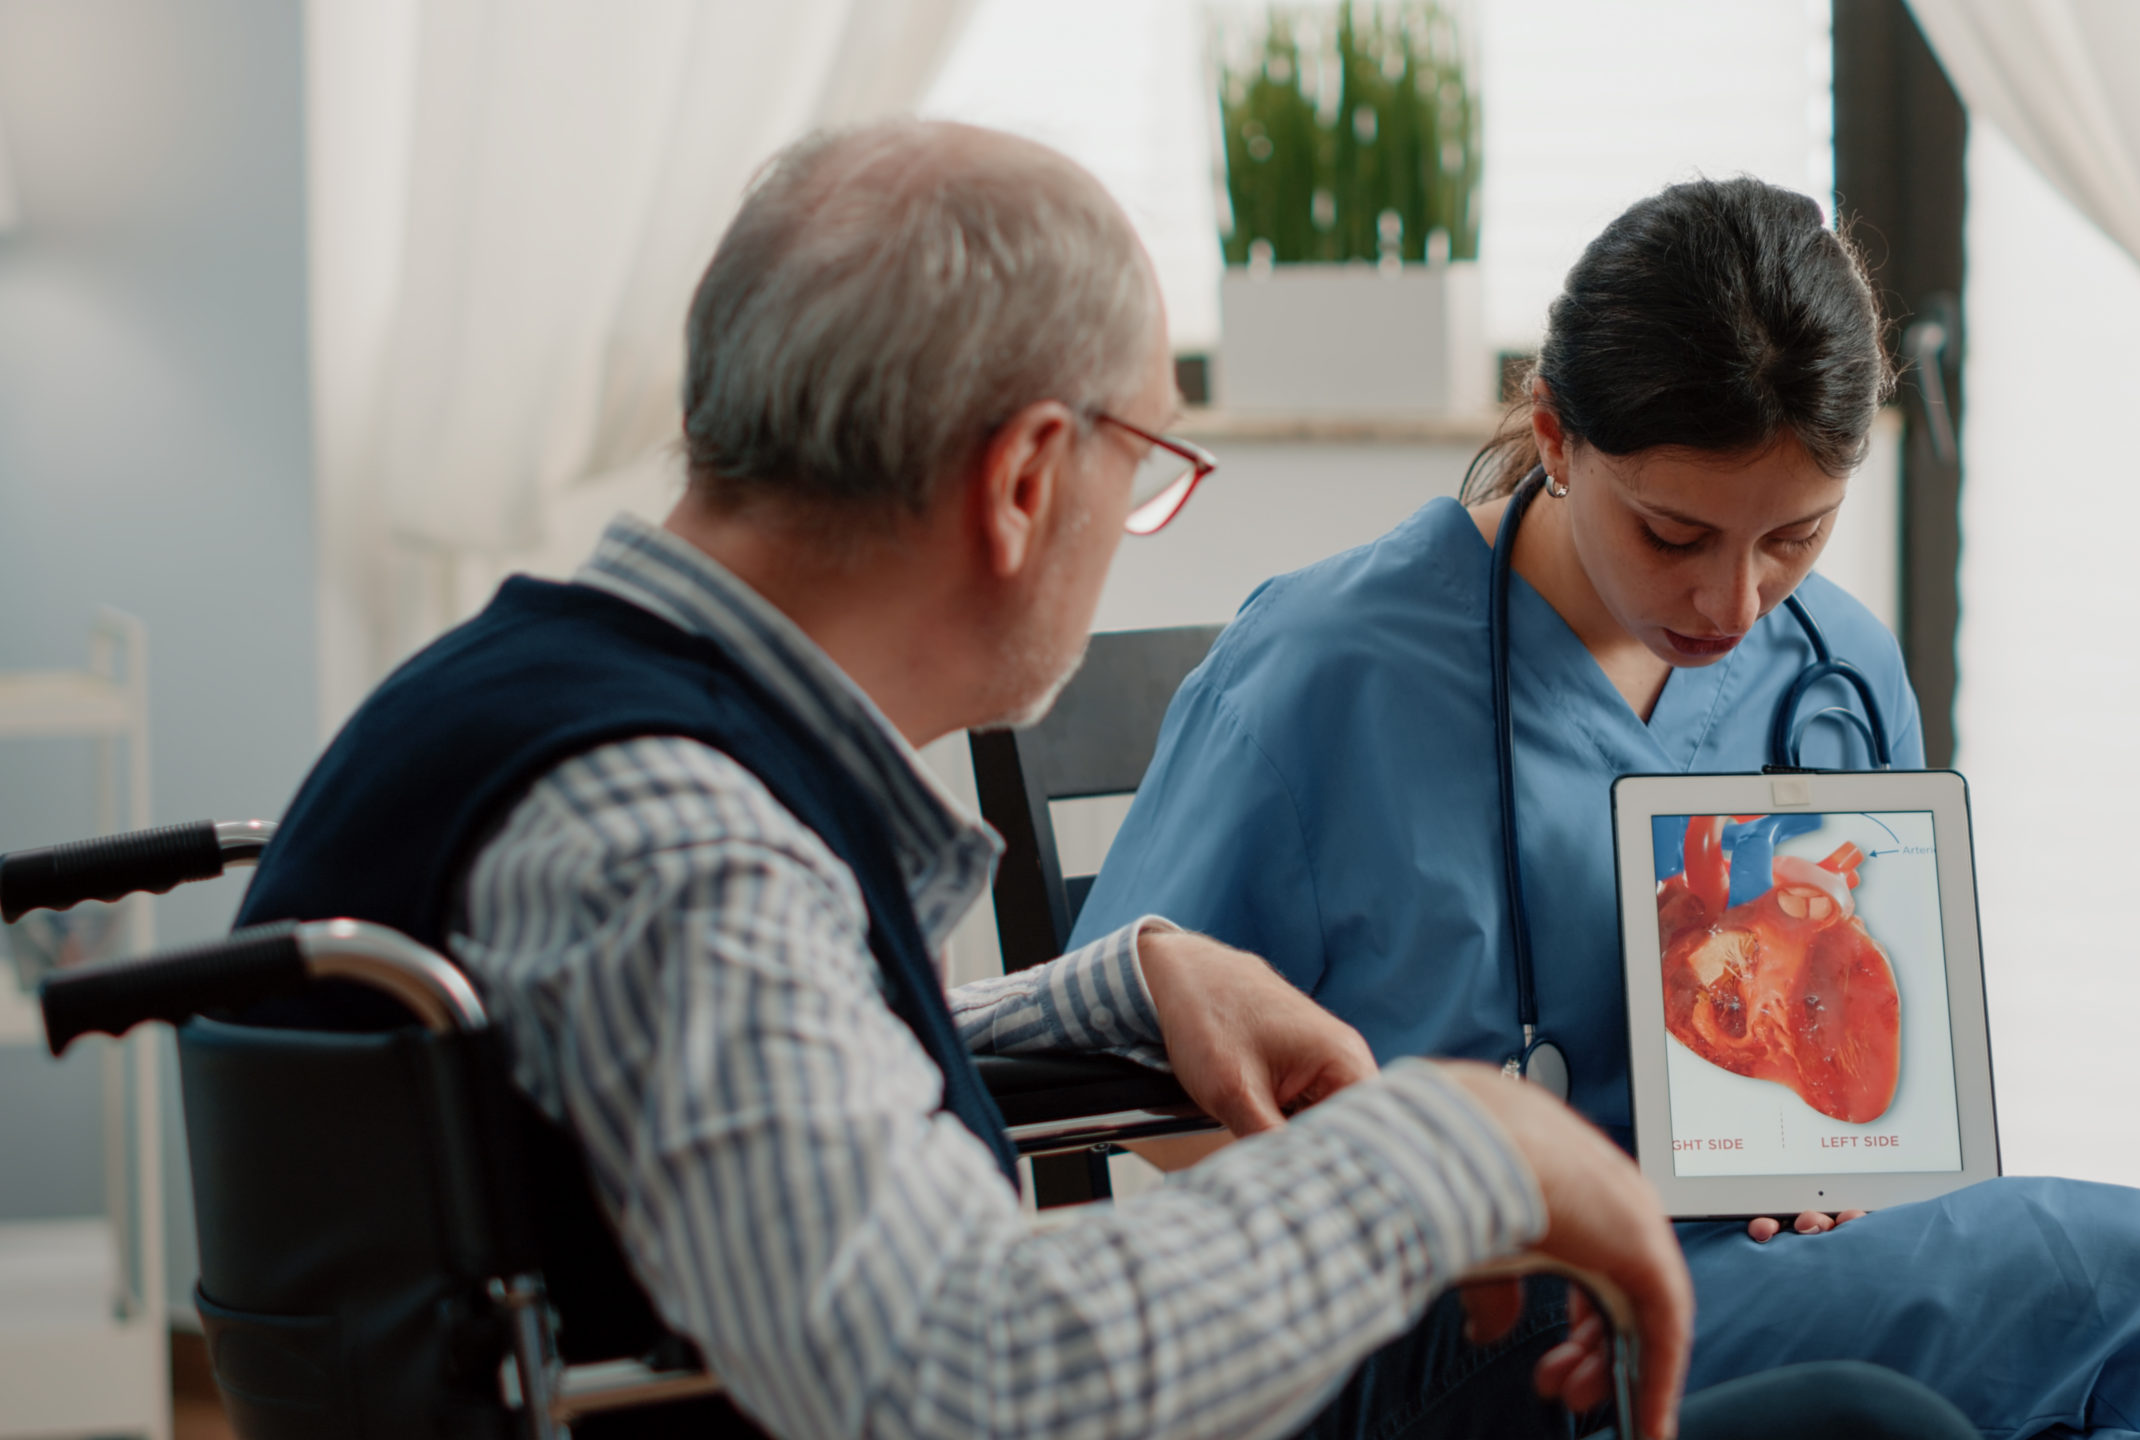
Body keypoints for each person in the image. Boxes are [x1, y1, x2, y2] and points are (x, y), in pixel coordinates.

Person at [228, 125, 1983, 1440]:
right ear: (1022, 481)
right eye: (1149, 466)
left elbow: (686, 1109)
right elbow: (953, 1373)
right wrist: (1445, 1148)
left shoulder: (556, 733)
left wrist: (1108, 991)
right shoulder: (675, 842)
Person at [1073, 175, 2140, 1440]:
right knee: (2135, 1280)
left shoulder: (1837, 671)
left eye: (1795, 537)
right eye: (1674, 535)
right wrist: (1436, 1197)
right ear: (1555, 438)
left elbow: (1883, 1074)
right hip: (1457, 1324)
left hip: (1745, 1287)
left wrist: (1846, 1183)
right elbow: (1128, 1079)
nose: (1734, 602)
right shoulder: (1330, 669)